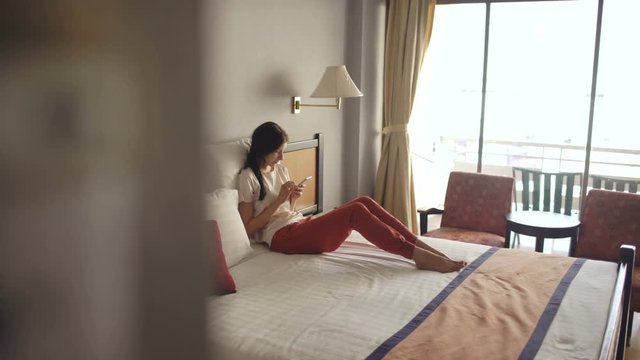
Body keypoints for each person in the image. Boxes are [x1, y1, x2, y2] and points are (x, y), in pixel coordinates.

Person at [237, 122, 465, 273]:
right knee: (355, 213)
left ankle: (420, 246)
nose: (282, 156)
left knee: (363, 201)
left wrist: (292, 199)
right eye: (277, 151)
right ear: (263, 149)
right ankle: (415, 255)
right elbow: (247, 228)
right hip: (281, 238)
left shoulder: (279, 169)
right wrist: (278, 201)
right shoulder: (248, 178)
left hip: (297, 225)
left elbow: (284, 211)